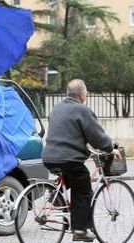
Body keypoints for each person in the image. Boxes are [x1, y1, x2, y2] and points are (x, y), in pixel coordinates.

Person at [42, 79, 121, 242]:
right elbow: (96, 136)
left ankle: (53, 202)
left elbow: (65, 132)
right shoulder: (82, 110)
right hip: (69, 158)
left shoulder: (56, 108)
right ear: (83, 95)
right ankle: (80, 231)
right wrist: (110, 148)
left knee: (70, 178)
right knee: (84, 188)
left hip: (49, 156)